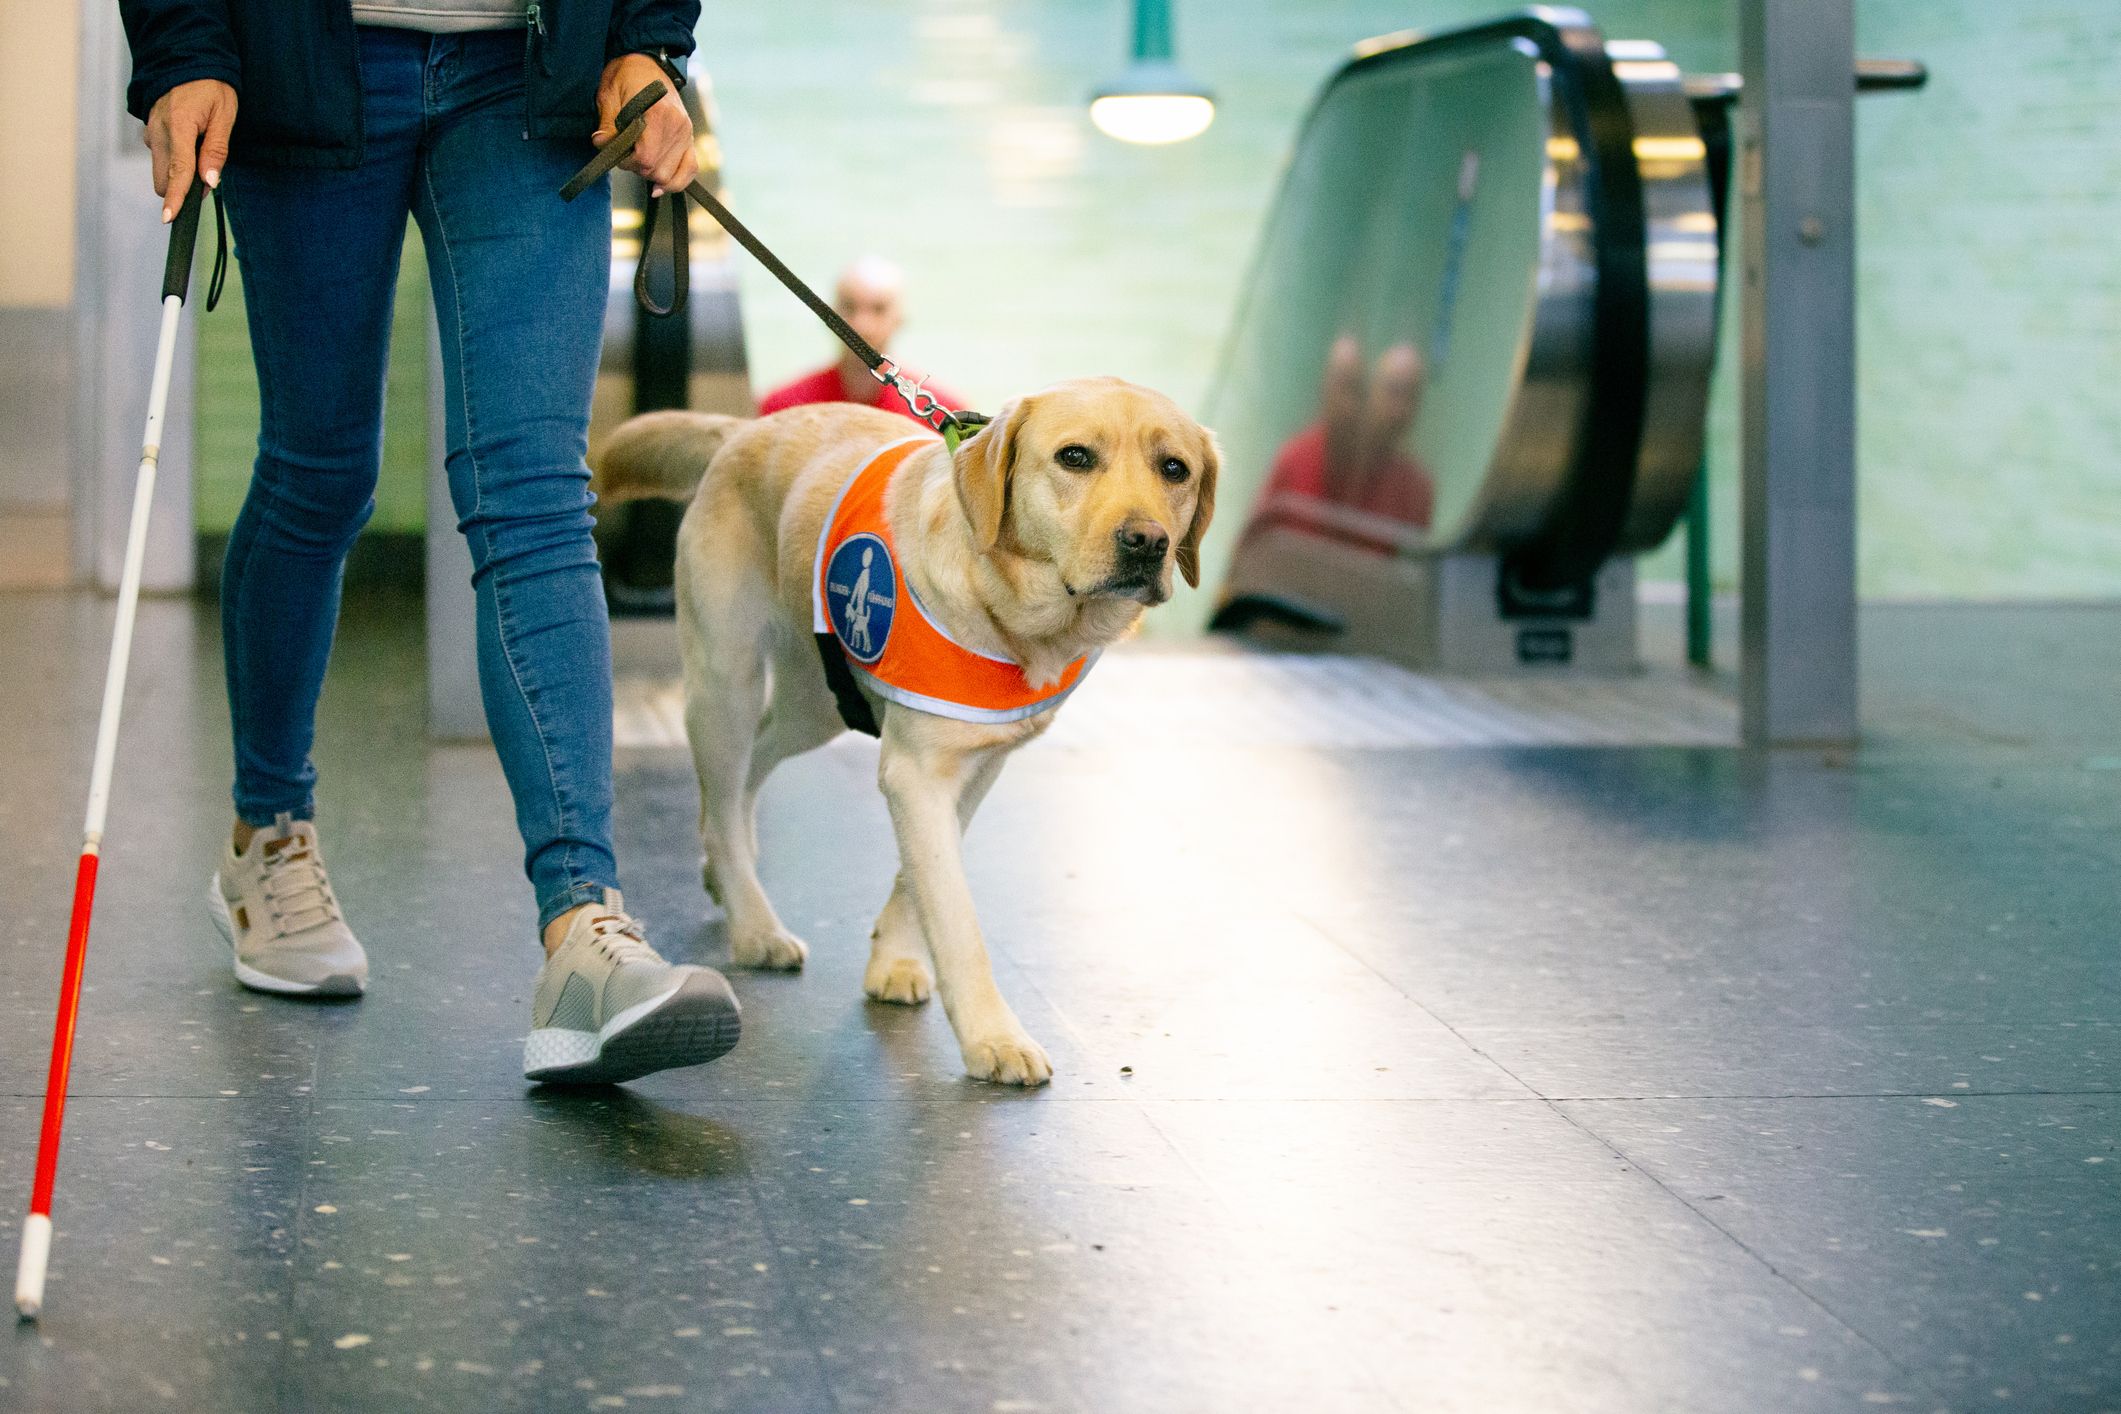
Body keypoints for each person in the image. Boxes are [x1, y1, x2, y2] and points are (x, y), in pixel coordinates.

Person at [122, 0, 743, 1085]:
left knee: (536, 491)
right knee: (320, 474)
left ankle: (582, 930)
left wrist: (649, 34)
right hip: (304, 59)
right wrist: (182, 50)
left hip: (531, 70)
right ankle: (265, 835)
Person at [756, 256, 964, 422]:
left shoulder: (943, 416)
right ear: (830, 314)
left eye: (879, 309)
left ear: (900, 319)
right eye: (849, 307)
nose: (861, 325)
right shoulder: (782, 409)